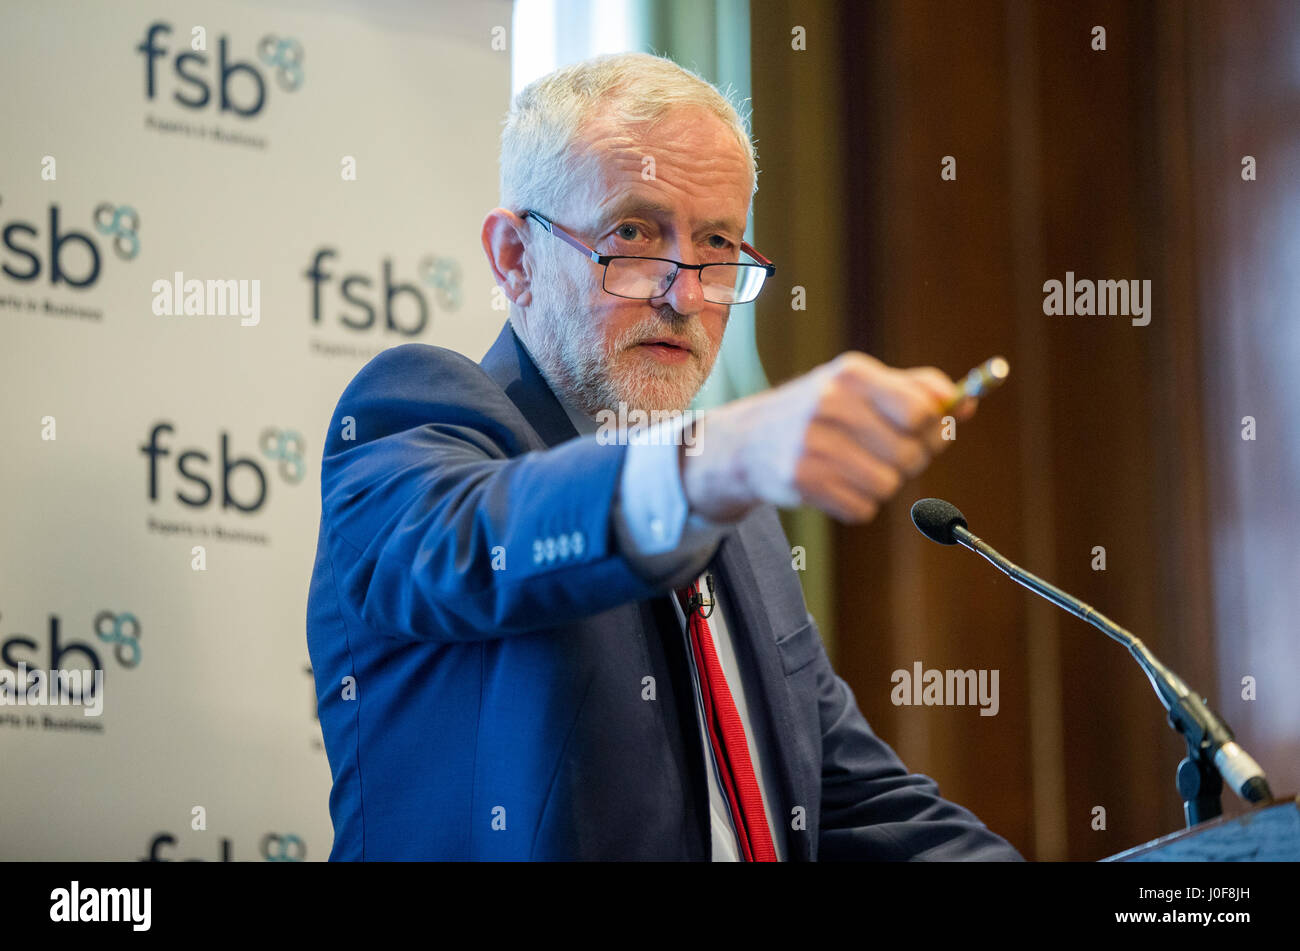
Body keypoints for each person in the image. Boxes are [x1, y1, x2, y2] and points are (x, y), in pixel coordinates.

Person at [306, 51, 1023, 861]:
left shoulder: (741, 520)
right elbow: (482, 542)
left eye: (718, 244)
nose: (685, 294)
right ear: (515, 258)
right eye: (635, 234)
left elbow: (858, 804)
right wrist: (719, 461)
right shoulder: (415, 420)